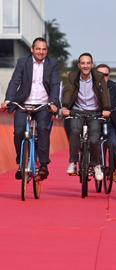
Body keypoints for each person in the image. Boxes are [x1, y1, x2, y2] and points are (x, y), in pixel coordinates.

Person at [1, 37, 60, 180]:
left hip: (43, 105)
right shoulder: (23, 62)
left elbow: (55, 84)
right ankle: (21, 162)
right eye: (38, 49)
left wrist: (52, 102)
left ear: (47, 51)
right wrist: (8, 100)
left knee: (42, 129)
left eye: (44, 49)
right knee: (19, 131)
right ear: (32, 49)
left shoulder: (52, 64)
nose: (41, 52)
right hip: (23, 103)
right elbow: (15, 81)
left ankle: (44, 165)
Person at [61, 53, 111, 181]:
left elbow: (104, 93)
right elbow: (68, 92)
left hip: (95, 112)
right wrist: (65, 106)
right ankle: (72, 162)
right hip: (77, 111)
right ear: (79, 65)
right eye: (82, 63)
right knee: (75, 131)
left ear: (92, 65)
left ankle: (96, 165)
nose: (85, 66)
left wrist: (106, 109)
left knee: (94, 140)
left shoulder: (99, 77)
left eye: (88, 63)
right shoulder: (73, 76)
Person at [96, 64, 116, 182]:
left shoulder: (113, 86)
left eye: (105, 74)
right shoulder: (90, 86)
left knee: (114, 144)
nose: (102, 77)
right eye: (99, 74)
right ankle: (94, 166)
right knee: (93, 144)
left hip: (111, 121)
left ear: (108, 75)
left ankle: (113, 169)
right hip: (94, 119)